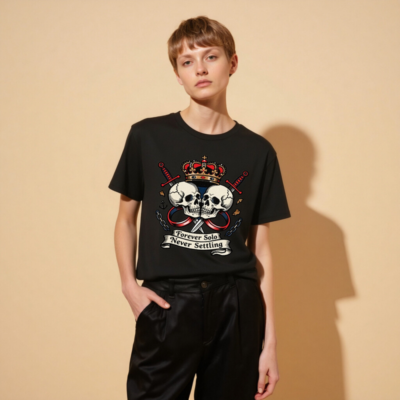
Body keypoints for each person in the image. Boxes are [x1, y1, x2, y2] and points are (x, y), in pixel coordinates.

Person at [108, 15, 291, 400]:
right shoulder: (147, 136)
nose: (200, 69)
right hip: (168, 303)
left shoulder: (258, 152)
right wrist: (130, 287)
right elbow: (125, 220)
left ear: (232, 63)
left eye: (211, 57)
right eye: (187, 61)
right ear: (177, 74)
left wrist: (269, 343)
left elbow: (261, 250)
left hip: (236, 307)